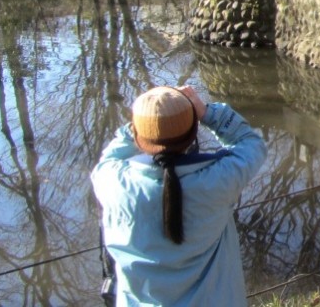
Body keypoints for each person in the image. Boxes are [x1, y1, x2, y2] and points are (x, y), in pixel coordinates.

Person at [91, 85, 267, 307]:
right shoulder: (219, 180)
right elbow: (251, 144)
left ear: (138, 135)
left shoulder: (112, 182)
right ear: (193, 132)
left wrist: (147, 120)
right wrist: (206, 113)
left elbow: (110, 156)